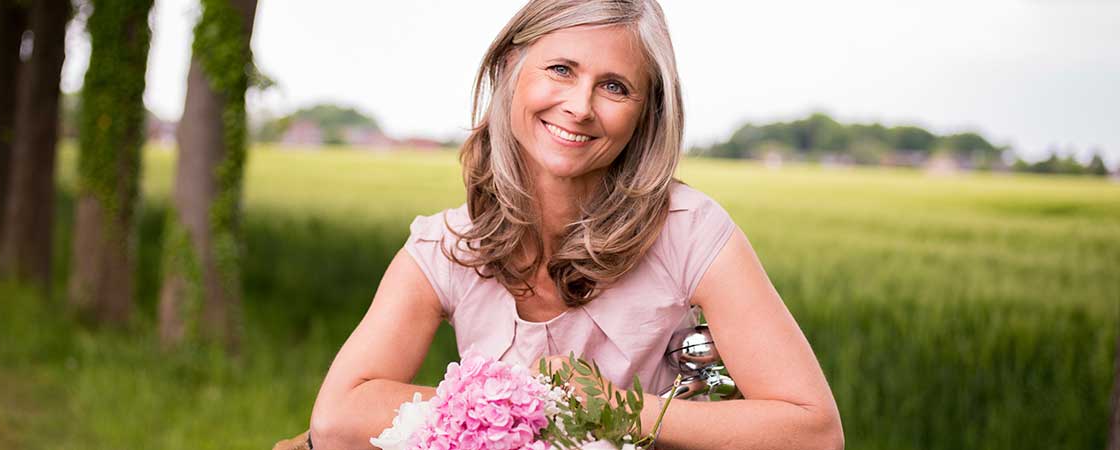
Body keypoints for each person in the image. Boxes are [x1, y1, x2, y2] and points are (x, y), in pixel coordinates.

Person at [309, 1, 843, 449]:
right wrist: (519, 402)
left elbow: (814, 430)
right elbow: (338, 415)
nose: (580, 107)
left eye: (614, 87)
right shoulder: (446, 244)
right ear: (513, 68)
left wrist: (616, 408)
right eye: (561, 70)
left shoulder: (691, 230)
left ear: (645, 112)